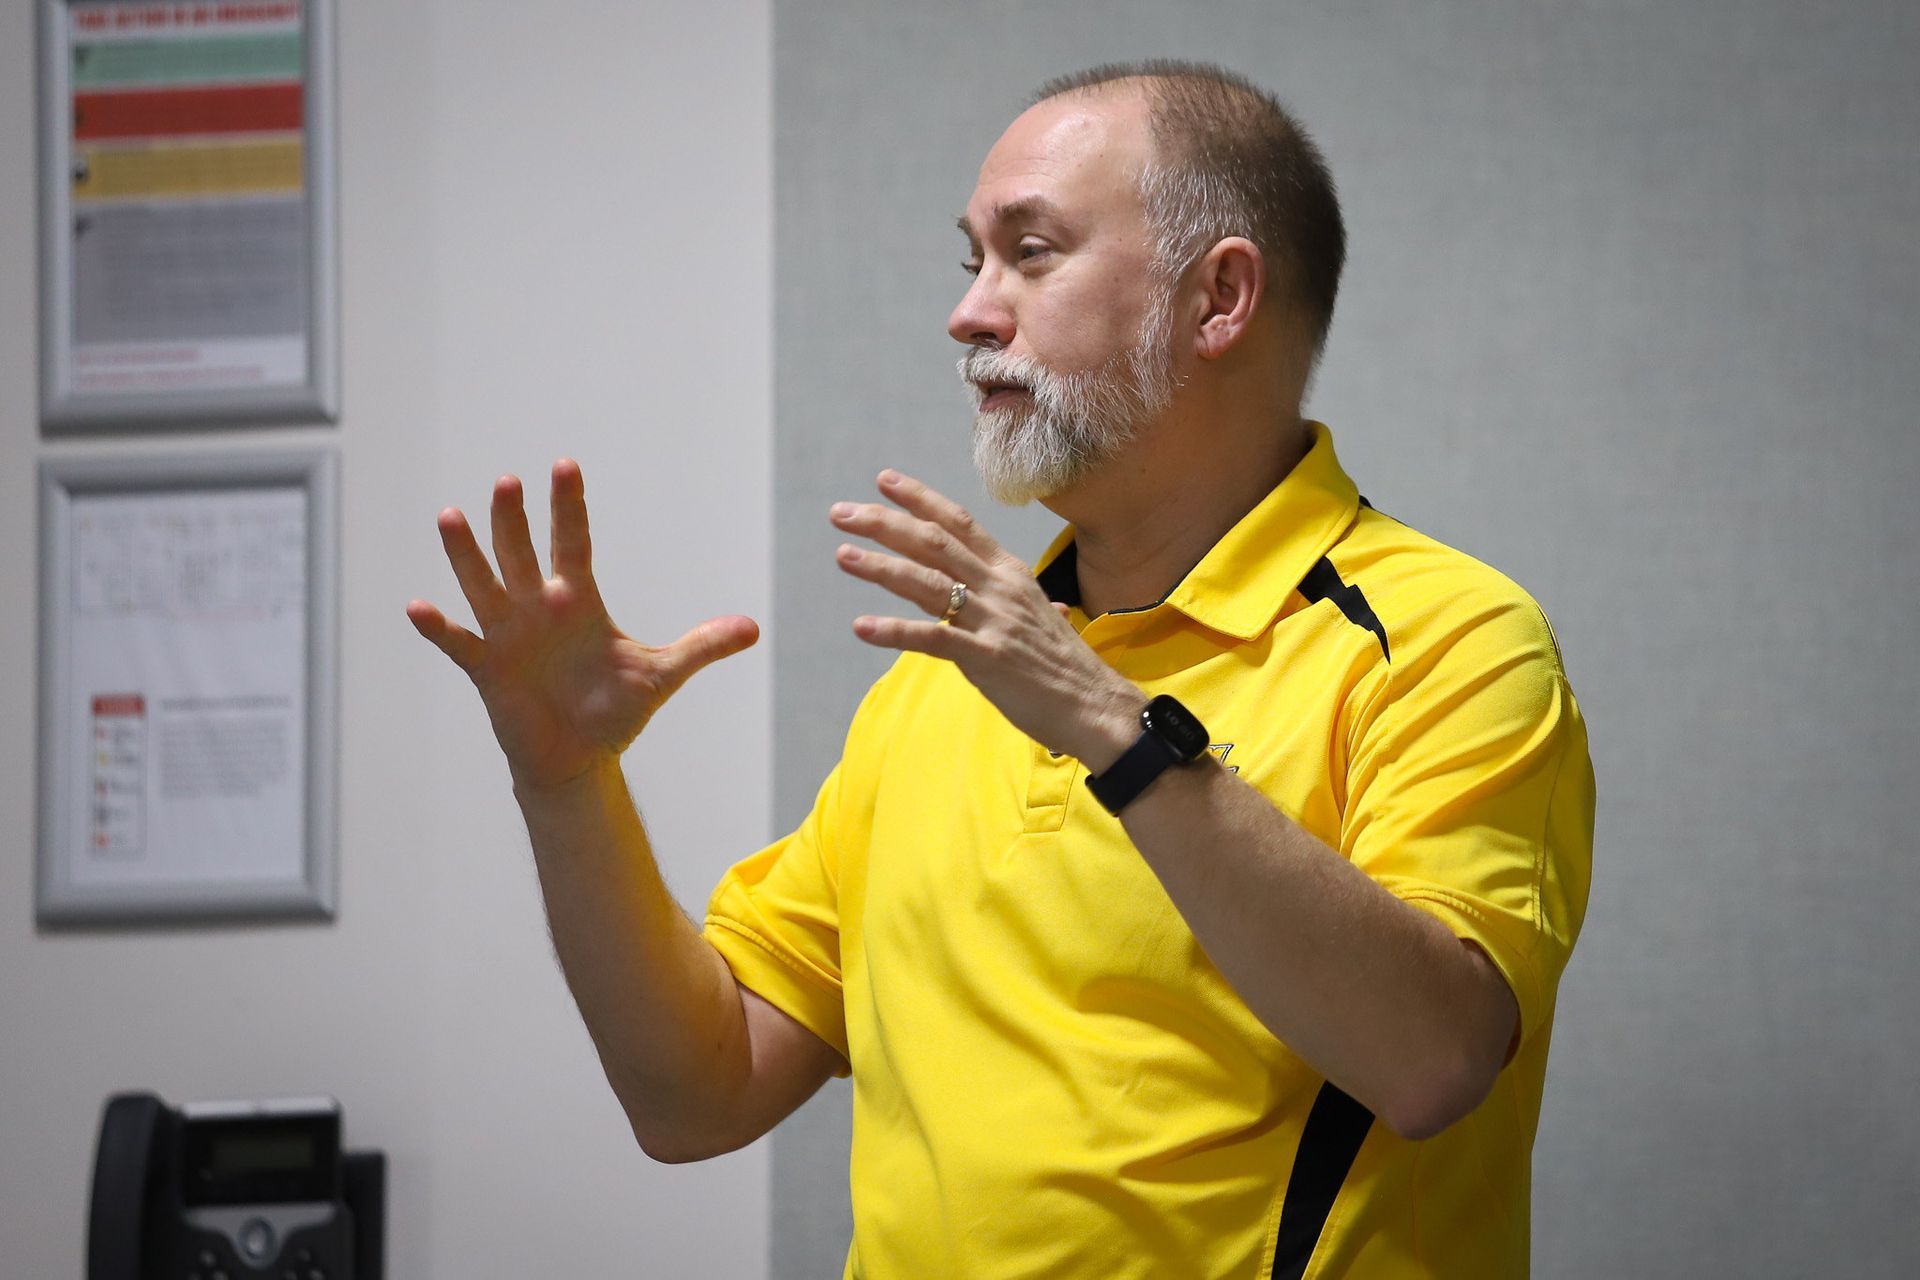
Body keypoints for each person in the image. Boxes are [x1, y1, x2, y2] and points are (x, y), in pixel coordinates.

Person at [409, 60, 1594, 1280]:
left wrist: (1113, 727)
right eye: (971, 261)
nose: (970, 314)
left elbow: (1433, 1060)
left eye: (1031, 253)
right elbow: (696, 1093)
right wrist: (568, 785)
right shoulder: (941, 682)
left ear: (1219, 297)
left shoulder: (1449, 638)